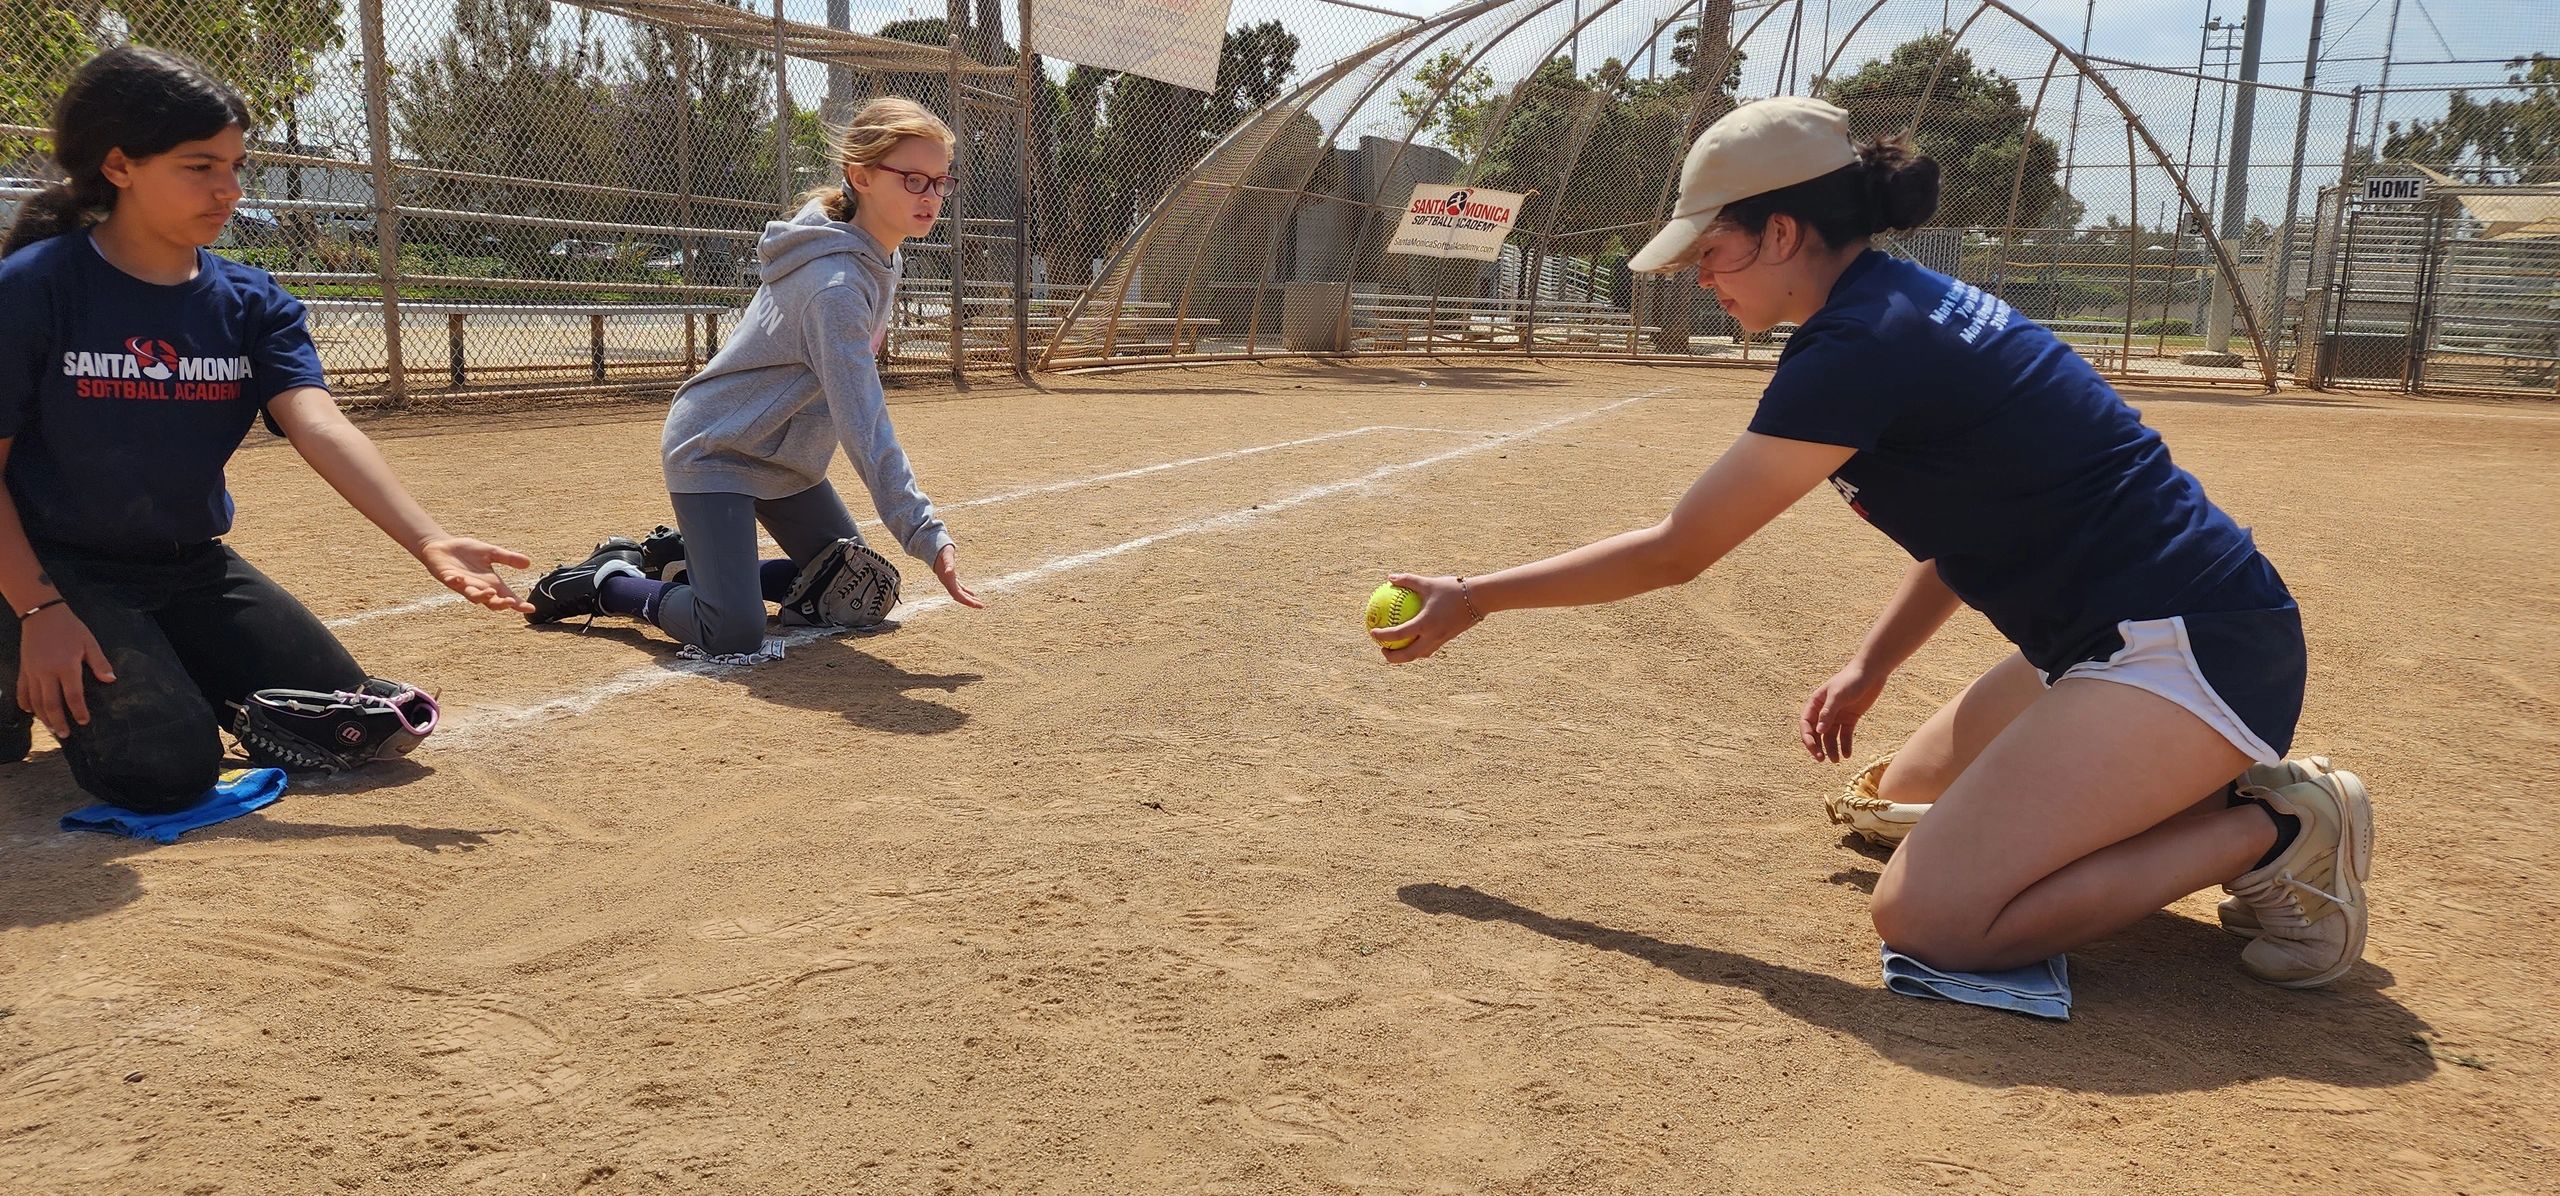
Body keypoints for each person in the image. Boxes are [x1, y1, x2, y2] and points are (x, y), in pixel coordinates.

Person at [1371, 97, 2370, 989]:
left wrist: (1477, 594)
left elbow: (1679, 548)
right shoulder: (1890, 305)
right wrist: (1870, 664)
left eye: (1708, 252)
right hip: (2112, 639)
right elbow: (1967, 526)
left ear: (1782, 230)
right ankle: (2199, 781)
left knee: (1932, 916)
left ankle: (2275, 823)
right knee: (1893, 803)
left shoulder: (1858, 345)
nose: (1698, 279)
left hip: (2191, 648)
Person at [0, 47, 534, 810]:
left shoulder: (251, 301)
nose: (228, 190)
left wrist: (428, 538)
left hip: (186, 564)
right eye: (199, 166)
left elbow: (319, 423)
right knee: (164, 772)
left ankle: (143, 656)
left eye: (236, 165)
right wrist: (41, 610)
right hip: (48, 562)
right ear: (118, 166)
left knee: (345, 722)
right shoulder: (33, 288)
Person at [525, 96, 982, 652]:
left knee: (853, 588)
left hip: (785, 460)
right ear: (860, 176)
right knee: (732, 631)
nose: (931, 197)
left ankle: (679, 563)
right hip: (717, 447)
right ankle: (610, 584)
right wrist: (923, 531)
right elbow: (864, 421)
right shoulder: (835, 286)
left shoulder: (882, 258)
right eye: (913, 179)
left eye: (940, 182)